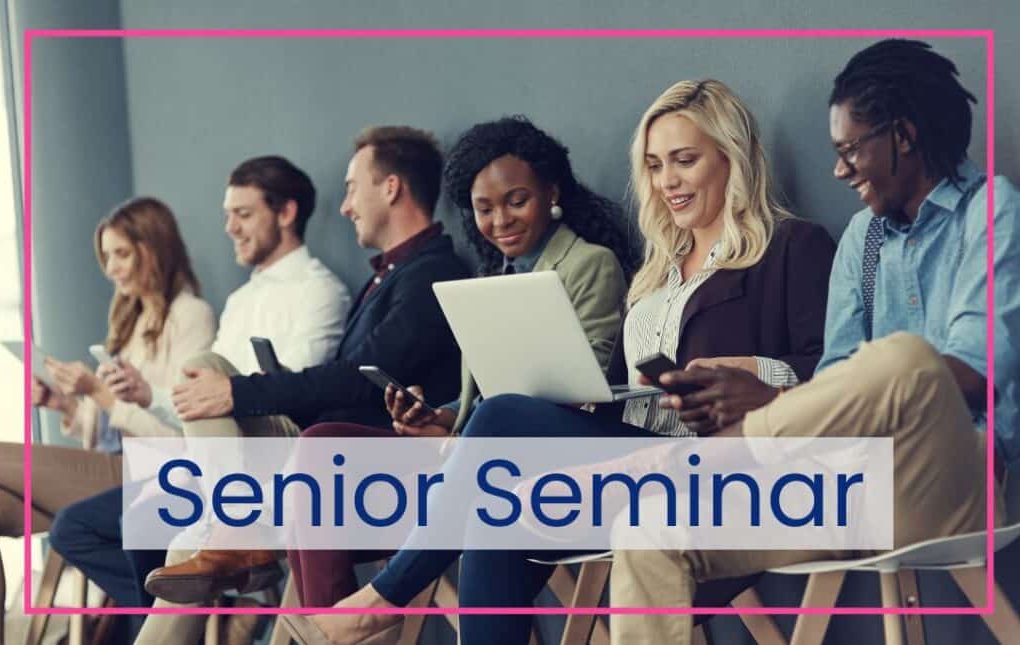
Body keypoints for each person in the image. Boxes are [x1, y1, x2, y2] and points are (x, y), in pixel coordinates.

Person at [279, 79, 837, 645]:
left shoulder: (791, 247)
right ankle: (380, 604)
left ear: (732, 157)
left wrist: (754, 370)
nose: (667, 180)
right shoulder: (655, 273)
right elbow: (621, 390)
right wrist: (599, 392)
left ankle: (380, 600)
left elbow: (838, 376)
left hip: (719, 463)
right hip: (633, 450)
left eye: (684, 160)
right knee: (494, 497)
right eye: (654, 165)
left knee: (498, 423)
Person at [607, 39, 1020, 645]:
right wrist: (766, 399)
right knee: (648, 531)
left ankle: (715, 455)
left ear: (903, 136)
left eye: (852, 149)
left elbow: (975, 373)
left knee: (907, 359)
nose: (839, 170)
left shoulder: (992, 209)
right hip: (849, 482)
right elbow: (837, 390)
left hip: (955, 481)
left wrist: (757, 428)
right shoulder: (863, 237)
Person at [132, 126, 471, 645]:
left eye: (353, 187)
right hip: (333, 452)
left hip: (377, 462)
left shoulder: (433, 273)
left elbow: (358, 380)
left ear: (391, 188)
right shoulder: (389, 276)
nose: (345, 206)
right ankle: (231, 526)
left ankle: (232, 527)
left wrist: (240, 393)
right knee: (203, 370)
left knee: (184, 530)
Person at [285, 115, 635, 609]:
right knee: (319, 447)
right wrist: (442, 416)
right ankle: (330, 623)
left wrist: (468, 430)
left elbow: (589, 381)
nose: (501, 221)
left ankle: (358, 616)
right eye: (484, 209)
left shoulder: (589, 264)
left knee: (326, 493)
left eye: (517, 201)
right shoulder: (494, 275)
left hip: (540, 460)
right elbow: (484, 396)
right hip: (466, 450)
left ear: (551, 192)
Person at [49, 155, 350, 641]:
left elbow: (287, 393)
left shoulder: (318, 291)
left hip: (270, 456)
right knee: (140, 515)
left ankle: (233, 539)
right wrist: (148, 395)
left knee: (145, 508)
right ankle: (224, 592)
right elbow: (200, 401)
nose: (230, 227)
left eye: (243, 214)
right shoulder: (240, 302)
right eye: (228, 215)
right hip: (208, 458)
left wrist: (126, 404)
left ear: (286, 213)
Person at [0, 197, 215, 643]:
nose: (111, 268)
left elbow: (181, 432)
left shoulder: (191, 316)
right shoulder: (131, 319)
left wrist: (99, 394)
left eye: (121, 253)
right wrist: (68, 406)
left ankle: (183, 602)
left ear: (153, 248)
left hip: (157, 469)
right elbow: (108, 430)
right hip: (116, 464)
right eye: (106, 256)